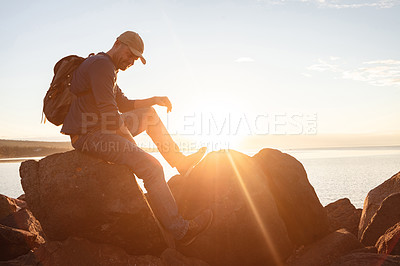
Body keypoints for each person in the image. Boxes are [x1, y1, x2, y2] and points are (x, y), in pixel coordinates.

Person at [60, 31, 213, 246]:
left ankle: (181, 163)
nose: (131, 61)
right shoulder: (101, 66)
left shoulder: (107, 67)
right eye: (130, 54)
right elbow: (110, 112)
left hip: (100, 129)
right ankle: (180, 230)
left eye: (135, 58)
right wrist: (130, 143)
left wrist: (155, 99)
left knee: (149, 114)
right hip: (90, 136)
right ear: (117, 43)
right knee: (151, 167)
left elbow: (122, 103)